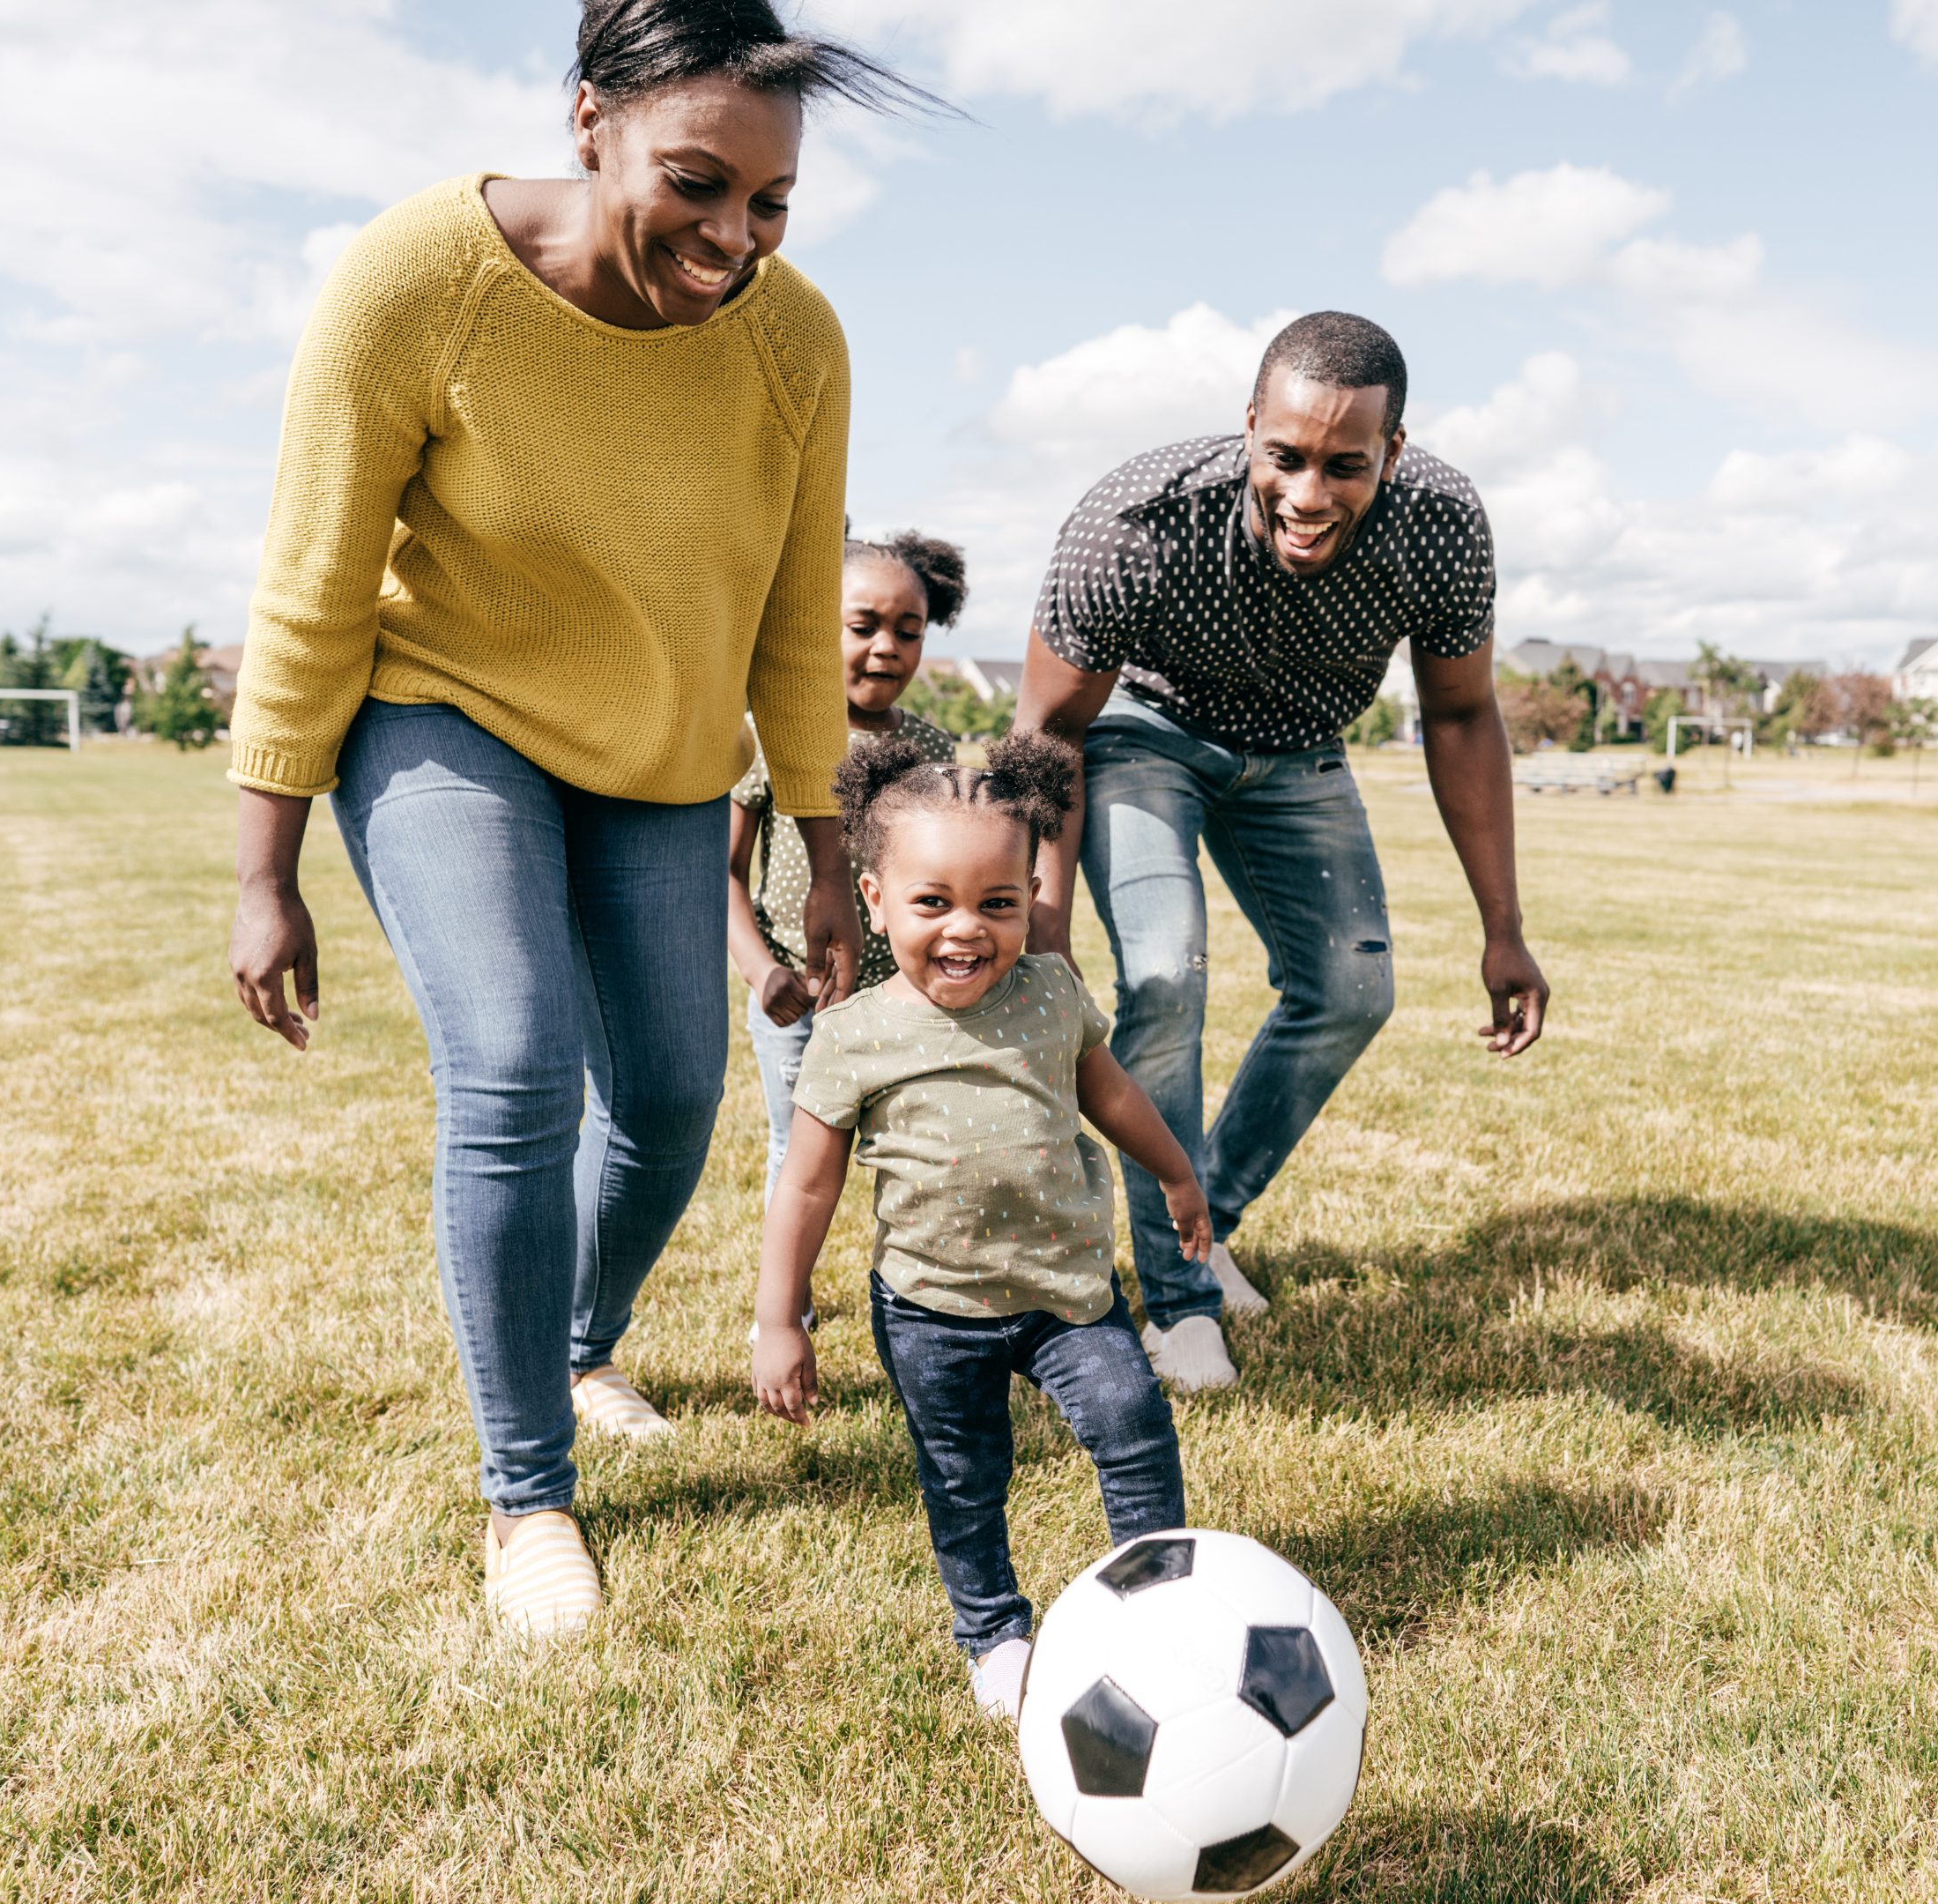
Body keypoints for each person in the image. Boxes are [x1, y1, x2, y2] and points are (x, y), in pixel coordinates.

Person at [224, 0, 944, 1638]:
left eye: (769, 205)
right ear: (588, 122)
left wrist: (825, 856)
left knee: (676, 1105)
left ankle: (577, 1338)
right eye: (698, 184)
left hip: (665, 760)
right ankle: (525, 1491)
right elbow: (318, 578)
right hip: (442, 716)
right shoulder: (418, 276)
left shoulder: (795, 341)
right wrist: (264, 866)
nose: (731, 238)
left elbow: (784, 620)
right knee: (517, 1061)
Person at [1017, 310, 1550, 1395]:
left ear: (1391, 454)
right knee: (1163, 977)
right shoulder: (1136, 519)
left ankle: (1200, 1219)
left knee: (1353, 991)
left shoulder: (1440, 525)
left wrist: (1503, 928)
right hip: (1143, 737)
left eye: (1344, 466)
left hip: (1301, 749)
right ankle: (1176, 1305)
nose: (1309, 494)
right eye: (1285, 458)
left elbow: (1457, 714)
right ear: (1248, 426)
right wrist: (1043, 924)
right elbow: (1046, 731)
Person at [751, 732, 1209, 1718]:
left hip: (1067, 1295)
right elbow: (805, 1188)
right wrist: (778, 1319)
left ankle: (1157, 1605)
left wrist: (1173, 1170)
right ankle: (994, 1631)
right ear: (874, 900)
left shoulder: (1049, 993)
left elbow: (1110, 1091)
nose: (967, 931)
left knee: (1132, 1425)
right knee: (963, 1477)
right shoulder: (851, 1034)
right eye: (933, 903)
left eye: (998, 904)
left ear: (1033, 896)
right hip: (932, 1309)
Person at [729, 530, 968, 1203]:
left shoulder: (930, 747)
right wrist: (760, 971)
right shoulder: (772, 732)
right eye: (862, 626)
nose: (887, 646)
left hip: (903, 998)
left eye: (908, 631)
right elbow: (726, 871)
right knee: (799, 1151)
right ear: (813, 626)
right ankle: (784, 1305)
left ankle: (922, 1291)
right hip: (797, 997)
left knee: (917, 1149)